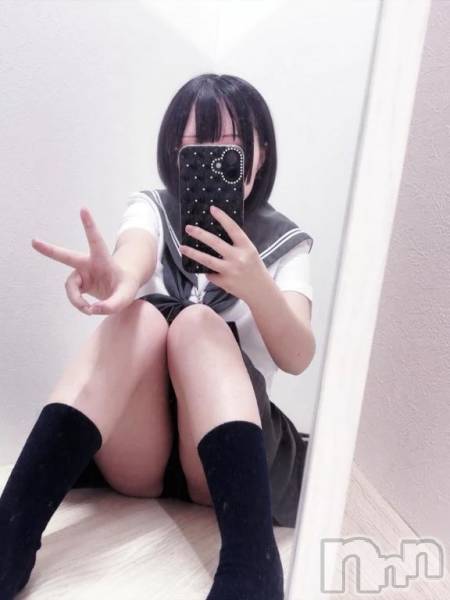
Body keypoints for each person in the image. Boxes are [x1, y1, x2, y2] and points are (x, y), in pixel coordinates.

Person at [0, 73, 315, 599]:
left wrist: (257, 285)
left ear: (261, 153)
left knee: (197, 324)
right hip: (139, 455)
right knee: (140, 317)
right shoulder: (152, 207)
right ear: (174, 152)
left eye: (231, 146)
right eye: (195, 147)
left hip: (221, 468)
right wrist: (118, 280)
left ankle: (253, 567)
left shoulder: (285, 243)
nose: (211, 159)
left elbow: (299, 355)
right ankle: (10, 533)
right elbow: (135, 252)